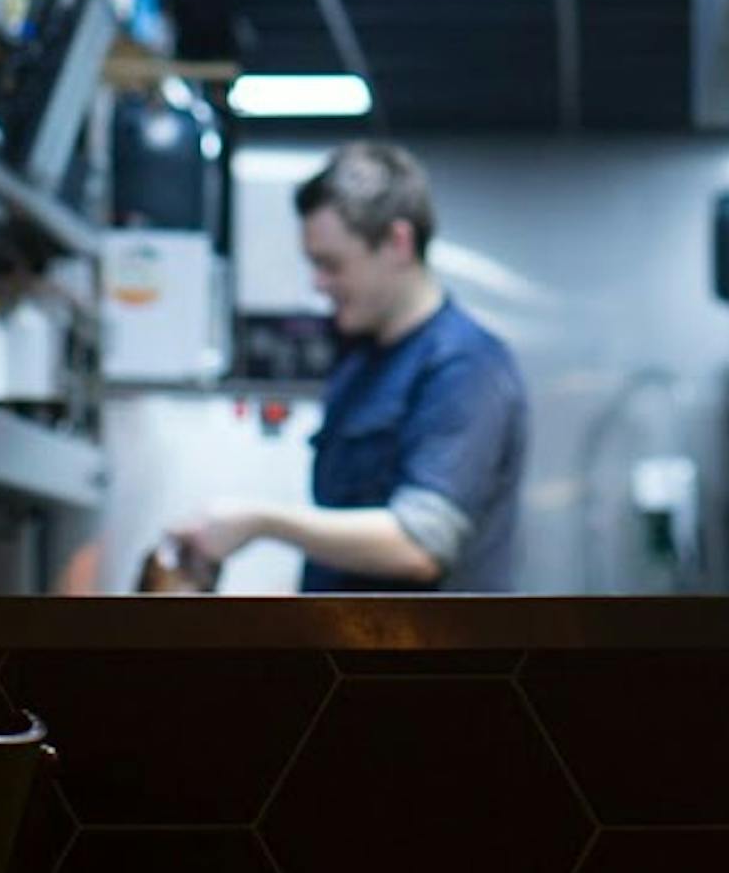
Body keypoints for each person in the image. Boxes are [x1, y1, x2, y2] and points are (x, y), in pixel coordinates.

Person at [164, 141, 527, 592]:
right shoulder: (360, 364)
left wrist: (260, 523)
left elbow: (420, 545)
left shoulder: (464, 366)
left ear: (397, 243)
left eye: (331, 265)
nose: (318, 284)